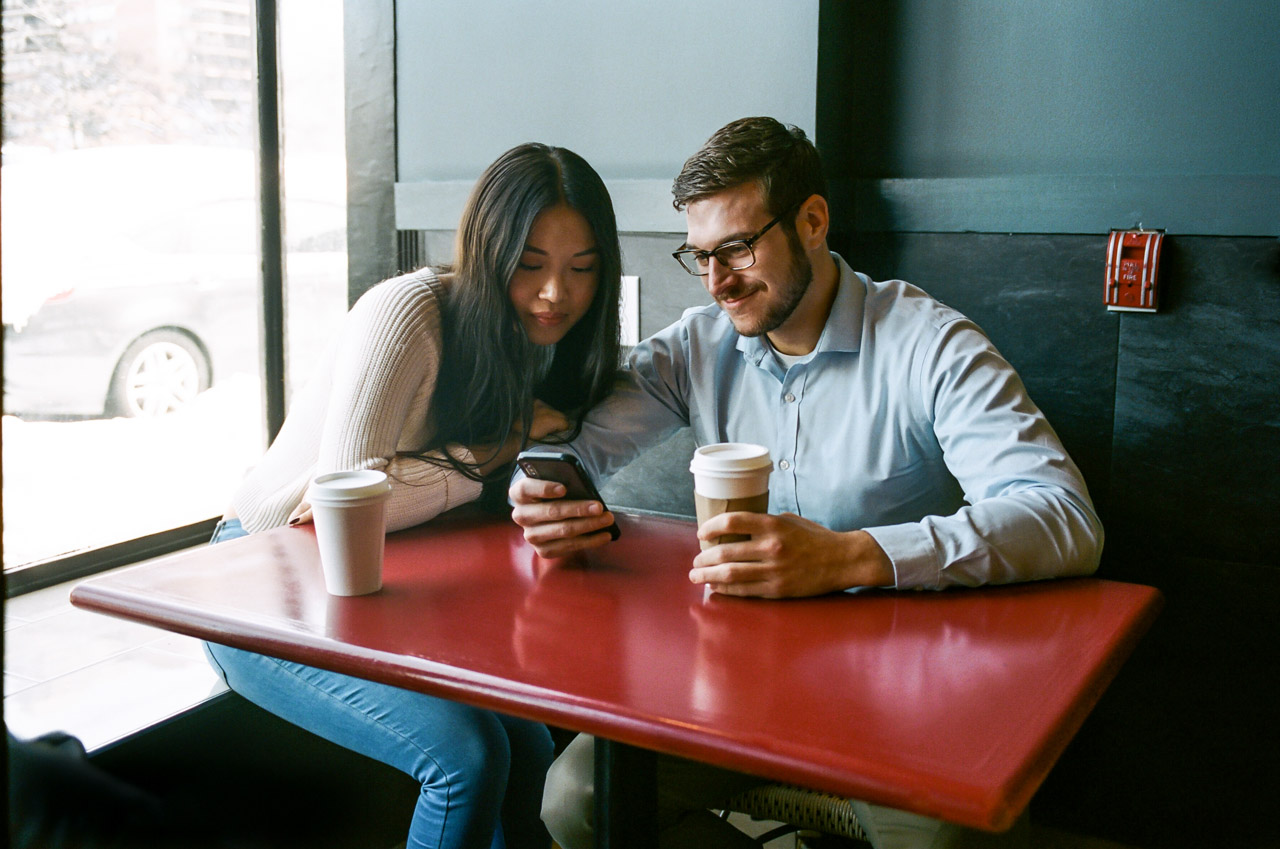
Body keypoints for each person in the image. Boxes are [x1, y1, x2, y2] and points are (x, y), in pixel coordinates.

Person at [509, 118, 1103, 849]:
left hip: (902, 697)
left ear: (813, 221)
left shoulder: (929, 343)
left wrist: (848, 556)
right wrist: (538, 488)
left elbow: (1063, 516)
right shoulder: (697, 344)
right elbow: (575, 447)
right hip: (735, 684)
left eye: (737, 248)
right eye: (699, 257)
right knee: (578, 798)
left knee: (948, 837)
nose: (719, 282)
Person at [204, 142, 623, 849]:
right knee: (467, 758)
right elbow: (339, 501)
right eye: (531, 265)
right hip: (257, 578)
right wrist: (495, 448)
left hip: (380, 586)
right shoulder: (409, 311)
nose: (557, 293)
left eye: (581, 269)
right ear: (490, 255)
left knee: (527, 743)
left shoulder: (538, 340)